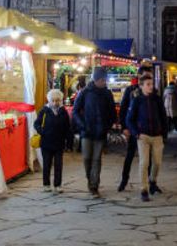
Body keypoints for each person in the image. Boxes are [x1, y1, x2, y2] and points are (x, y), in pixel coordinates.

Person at [72, 67, 116, 196]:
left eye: (105, 80)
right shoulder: (85, 92)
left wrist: (107, 126)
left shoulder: (107, 93)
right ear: (96, 80)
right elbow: (75, 111)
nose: (105, 82)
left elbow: (112, 112)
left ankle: (94, 185)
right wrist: (82, 125)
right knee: (87, 158)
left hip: (100, 132)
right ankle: (90, 180)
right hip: (86, 131)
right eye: (103, 80)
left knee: (97, 159)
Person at [126, 74, 169, 202]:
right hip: (143, 135)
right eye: (148, 84)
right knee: (144, 162)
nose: (151, 87)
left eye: (152, 84)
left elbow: (163, 117)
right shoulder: (137, 100)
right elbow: (129, 119)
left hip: (157, 136)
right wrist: (136, 133)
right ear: (142, 86)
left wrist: (164, 134)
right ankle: (144, 189)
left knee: (157, 162)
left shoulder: (157, 99)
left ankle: (153, 181)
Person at [118, 62, 154, 191]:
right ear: (139, 77)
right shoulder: (130, 90)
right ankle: (124, 180)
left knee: (148, 158)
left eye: (150, 76)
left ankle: (150, 183)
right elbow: (123, 109)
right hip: (134, 129)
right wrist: (124, 127)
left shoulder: (152, 91)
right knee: (129, 155)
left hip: (148, 130)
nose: (148, 79)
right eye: (145, 76)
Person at [33, 89, 70, 193]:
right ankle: (46, 184)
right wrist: (42, 131)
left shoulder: (63, 111)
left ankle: (58, 185)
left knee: (58, 165)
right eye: (53, 100)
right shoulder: (44, 110)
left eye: (57, 100)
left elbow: (68, 126)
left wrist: (68, 140)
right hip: (46, 143)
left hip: (59, 143)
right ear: (49, 100)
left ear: (60, 100)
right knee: (47, 165)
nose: (55, 103)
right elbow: (36, 124)